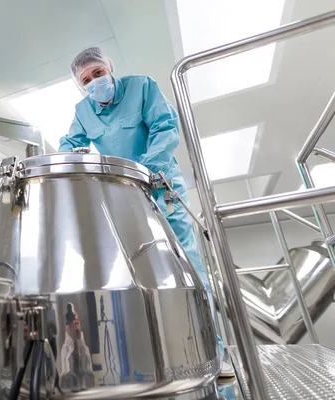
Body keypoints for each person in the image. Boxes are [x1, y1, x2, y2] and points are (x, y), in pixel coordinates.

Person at [59, 46, 230, 375]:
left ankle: (214, 349)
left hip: (161, 187)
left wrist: (147, 170)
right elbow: (70, 141)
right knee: (139, 273)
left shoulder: (142, 87)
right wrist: (65, 159)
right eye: (86, 80)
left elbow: (165, 129)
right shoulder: (83, 110)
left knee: (187, 270)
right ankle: (162, 353)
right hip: (123, 197)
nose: (94, 82)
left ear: (110, 66)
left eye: (98, 73)